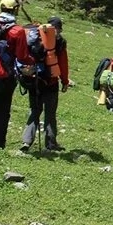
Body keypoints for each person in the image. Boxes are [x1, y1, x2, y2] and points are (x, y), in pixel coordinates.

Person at [0, 0, 35, 149]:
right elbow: (22, 55)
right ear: (15, 9)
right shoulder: (17, 31)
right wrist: (33, 61)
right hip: (6, 73)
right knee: (2, 109)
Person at [19, 16, 70, 152]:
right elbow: (63, 64)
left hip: (34, 80)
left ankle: (27, 141)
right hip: (51, 82)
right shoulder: (59, 42)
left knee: (34, 111)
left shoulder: (35, 38)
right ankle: (51, 143)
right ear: (58, 28)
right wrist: (65, 81)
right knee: (50, 114)